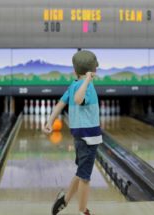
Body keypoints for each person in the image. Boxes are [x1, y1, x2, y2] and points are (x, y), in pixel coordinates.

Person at [43, 50, 102, 215]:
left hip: (80, 136)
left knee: (81, 171)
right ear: (94, 70)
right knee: (85, 178)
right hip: (88, 138)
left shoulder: (73, 84)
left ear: (74, 70)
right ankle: (83, 211)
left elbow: (61, 104)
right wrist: (87, 81)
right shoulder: (85, 86)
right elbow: (77, 99)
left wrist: (49, 121)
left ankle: (64, 200)